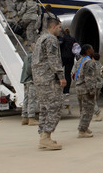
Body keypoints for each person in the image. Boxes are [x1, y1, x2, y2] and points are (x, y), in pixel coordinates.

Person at [31, 18, 66, 150]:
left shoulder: (40, 39)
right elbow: (53, 59)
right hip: (49, 79)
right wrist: (61, 76)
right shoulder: (51, 39)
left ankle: (43, 136)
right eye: (60, 27)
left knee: (45, 108)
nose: (60, 30)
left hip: (39, 79)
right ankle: (46, 135)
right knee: (56, 106)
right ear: (54, 26)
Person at [72, 44, 99, 138]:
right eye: (91, 48)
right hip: (86, 89)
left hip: (79, 88)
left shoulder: (79, 61)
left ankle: (85, 127)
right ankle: (82, 131)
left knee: (82, 110)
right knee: (87, 111)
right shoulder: (89, 62)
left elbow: (74, 74)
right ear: (88, 50)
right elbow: (89, 78)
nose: (93, 50)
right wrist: (91, 91)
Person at [20, 43, 38, 126]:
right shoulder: (33, 56)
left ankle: (24, 117)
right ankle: (31, 118)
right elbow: (30, 68)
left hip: (25, 80)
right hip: (31, 80)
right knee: (32, 99)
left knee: (26, 99)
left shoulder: (27, 56)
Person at [59, 28, 77, 94]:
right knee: (68, 74)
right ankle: (66, 91)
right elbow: (76, 48)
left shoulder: (62, 39)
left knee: (58, 72)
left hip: (62, 57)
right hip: (71, 58)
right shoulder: (73, 39)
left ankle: (58, 88)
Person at [91, 52, 103, 121]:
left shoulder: (92, 64)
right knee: (95, 100)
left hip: (94, 84)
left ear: (93, 58)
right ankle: (93, 113)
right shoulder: (100, 64)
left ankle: (98, 114)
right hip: (100, 84)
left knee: (92, 100)